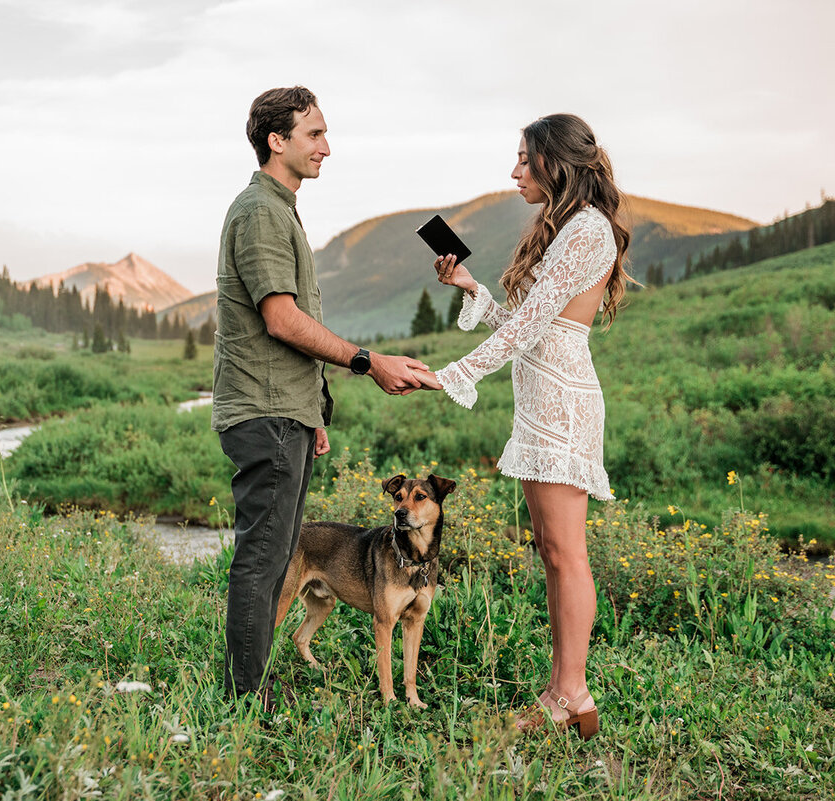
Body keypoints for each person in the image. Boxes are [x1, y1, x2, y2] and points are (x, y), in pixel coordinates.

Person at [212, 86, 434, 709]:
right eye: (314, 135)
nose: (327, 148)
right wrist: (368, 361)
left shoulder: (281, 209)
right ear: (276, 141)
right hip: (263, 411)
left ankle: (248, 685)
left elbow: (290, 327)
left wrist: (314, 411)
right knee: (265, 557)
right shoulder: (260, 211)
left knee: (279, 551)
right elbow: (282, 320)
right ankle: (245, 697)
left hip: (288, 412)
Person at [419, 113, 631, 739]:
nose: (514, 172)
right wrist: (468, 285)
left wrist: (455, 373)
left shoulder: (589, 231)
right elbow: (523, 319)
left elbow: (532, 324)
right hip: (542, 401)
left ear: (555, 162)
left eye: (523, 160)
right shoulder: (566, 230)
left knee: (567, 555)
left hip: (563, 404)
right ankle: (566, 692)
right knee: (551, 551)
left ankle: (570, 694)